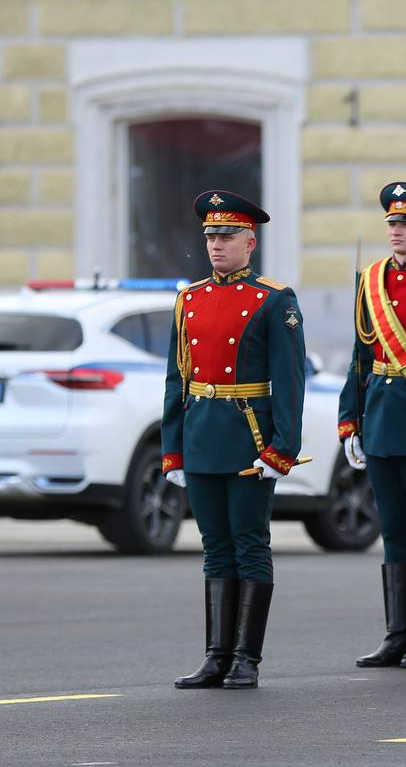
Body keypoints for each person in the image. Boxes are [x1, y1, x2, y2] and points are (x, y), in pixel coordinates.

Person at [164, 190, 305, 689]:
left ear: (251, 241)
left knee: (249, 544)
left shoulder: (273, 299)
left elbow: (289, 381)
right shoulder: (190, 297)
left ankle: (246, 657)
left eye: (226, 236)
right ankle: (215, 655)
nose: (216, 245)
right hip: (203, 434)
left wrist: (281, 448)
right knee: (213, 547)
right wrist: (172, 448)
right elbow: (176, 379)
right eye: (210, 237)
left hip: (249, 438)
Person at [338, 182, 406, 669]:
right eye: (392, 223)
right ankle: (396, 633)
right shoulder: (371, 281)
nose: (397, 231)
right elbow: (361, 358)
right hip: (382, 417)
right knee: (393, 531)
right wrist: (350, 420)